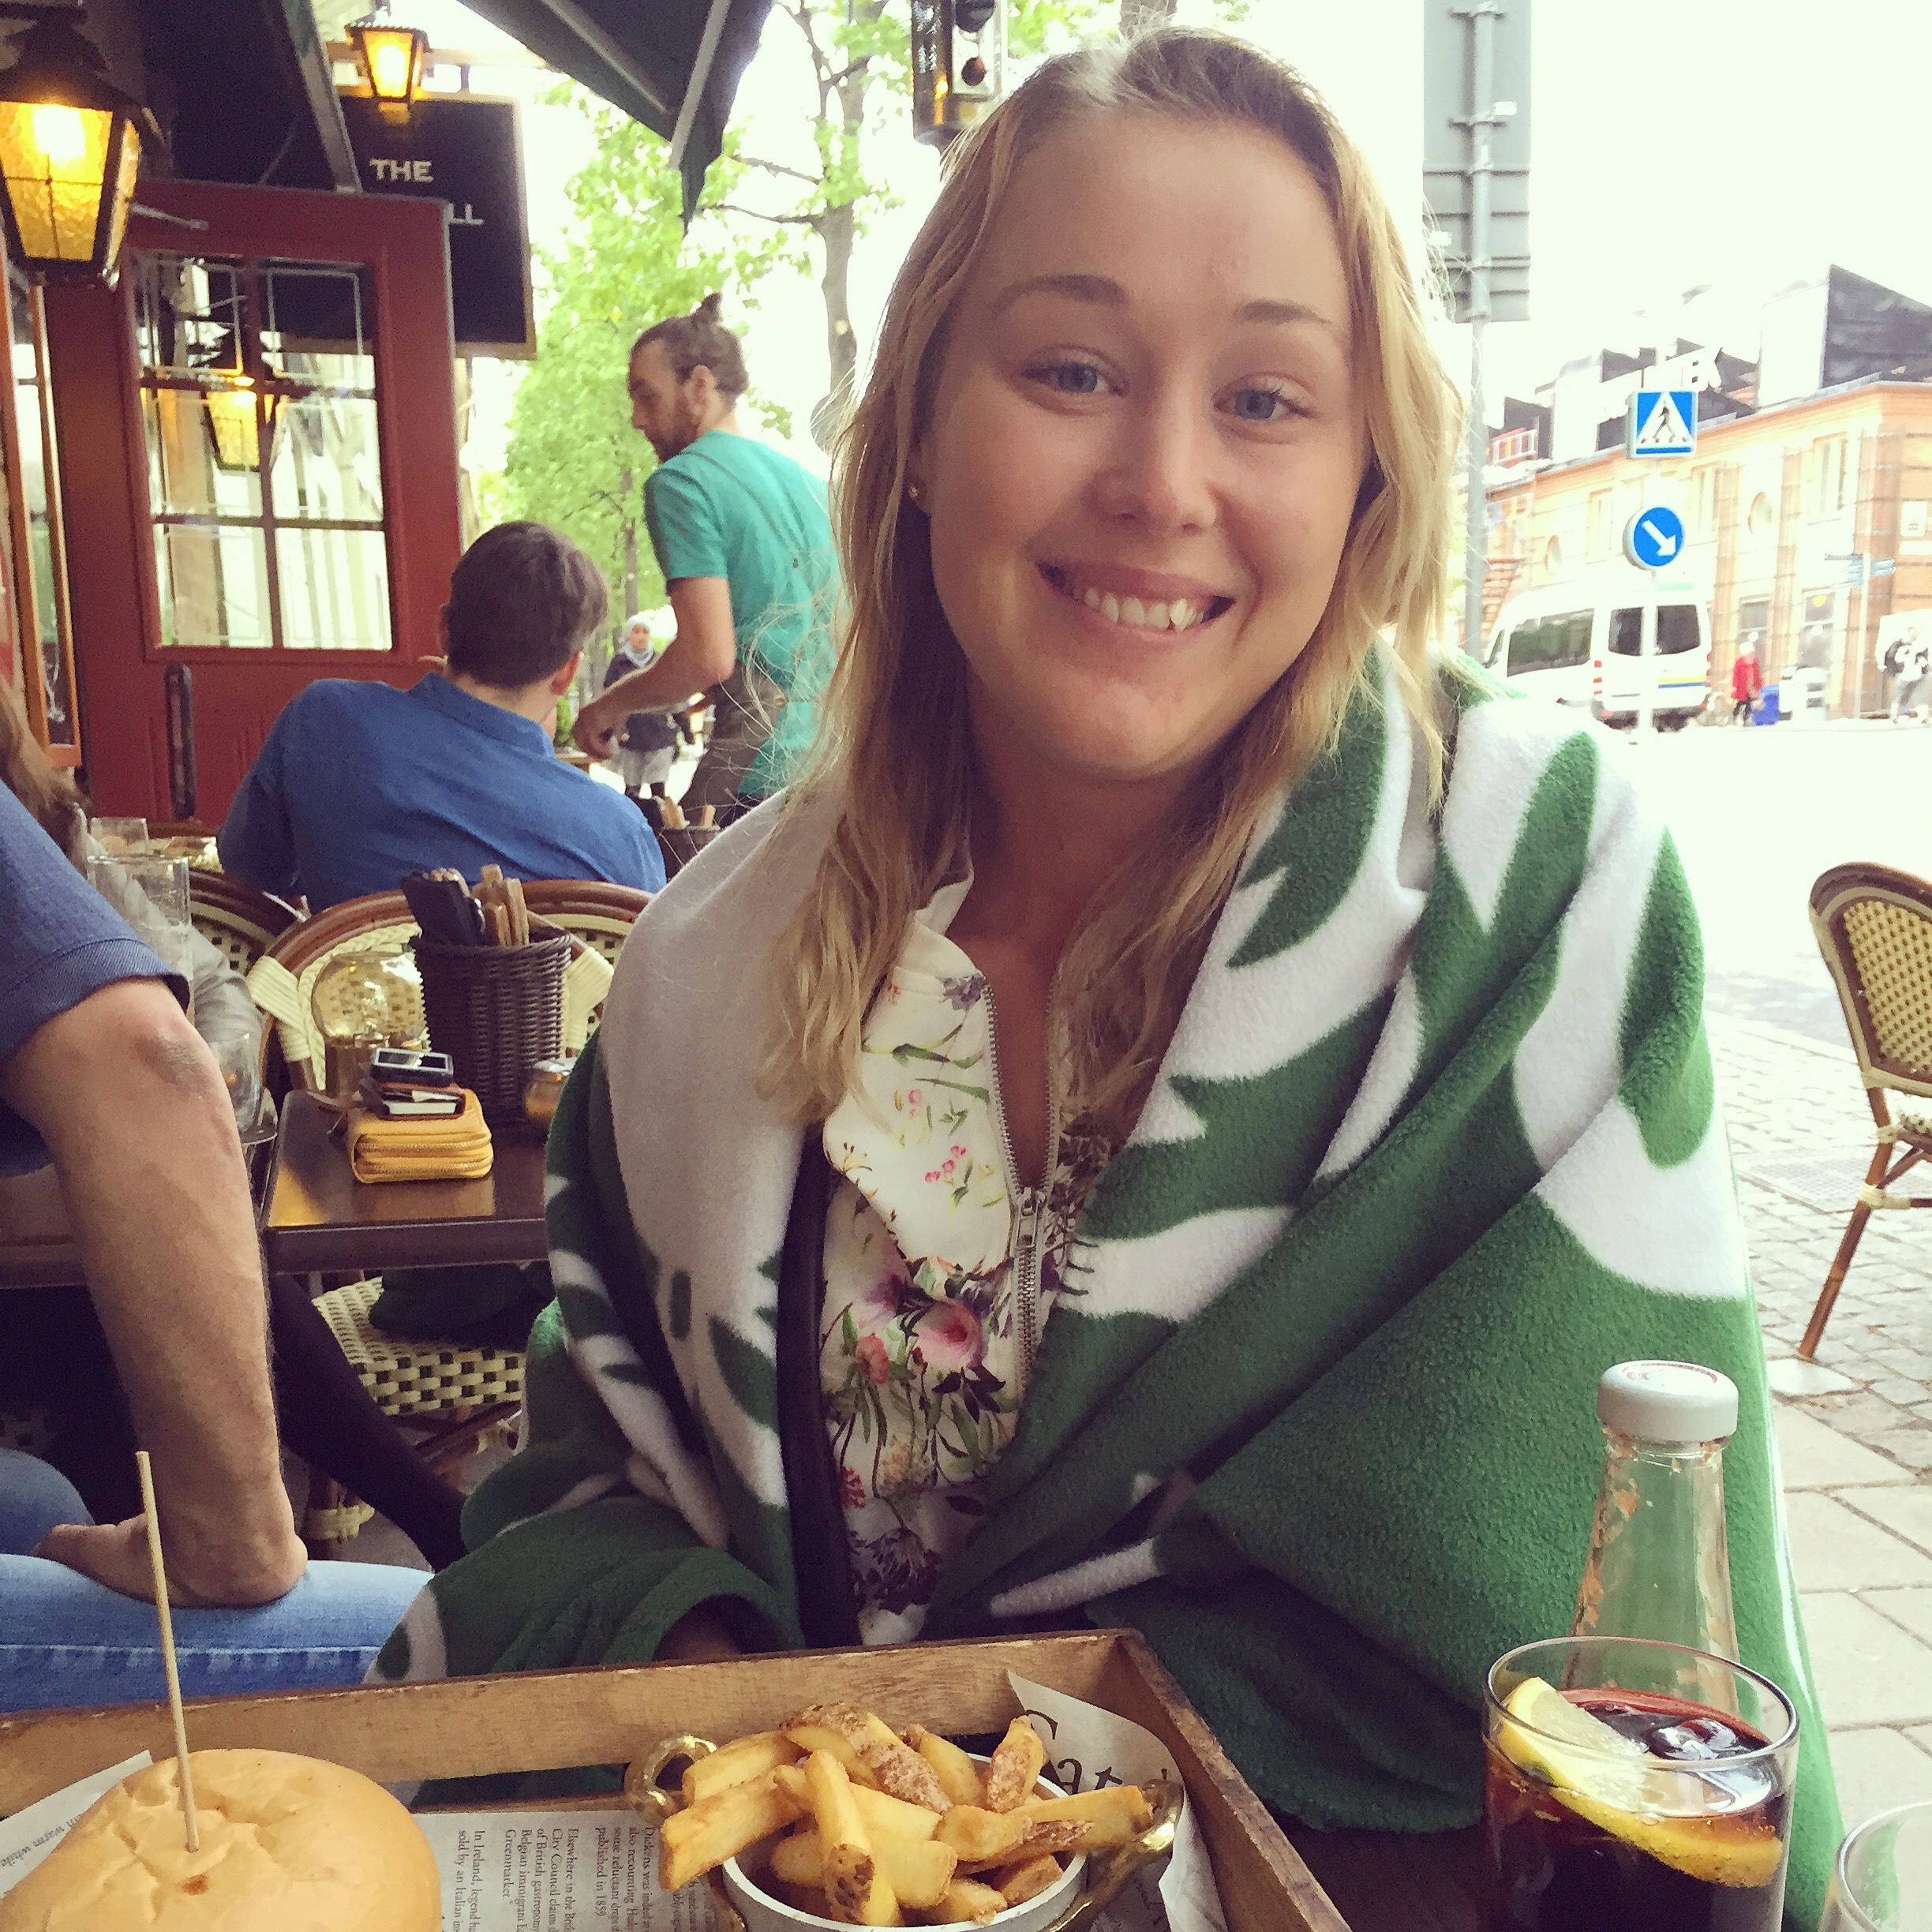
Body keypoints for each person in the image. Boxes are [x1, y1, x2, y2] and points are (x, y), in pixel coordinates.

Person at [375, 33, 1840, 1925]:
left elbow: (1618, 1677)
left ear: (1366, 474)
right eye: (1069, 370)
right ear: (919, 428)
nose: (1160, 481)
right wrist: (770, 1728)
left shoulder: (1529, 891)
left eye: (1265, 397)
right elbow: (576, 1499)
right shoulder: (696, 963)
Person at [0, 781, 425, 1712]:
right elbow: (148, 1062)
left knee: (49, 1497)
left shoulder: (64, 832)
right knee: (477, 1653)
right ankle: (437, 1521)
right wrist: (230, 1545)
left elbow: (198, 1005)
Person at [220, 522, 663, 908]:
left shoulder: (321, 720)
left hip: (345, 981)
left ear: (443, 630)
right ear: (567, 673)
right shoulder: (619, 835)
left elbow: (249, 869)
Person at [571, 296, 837, 827]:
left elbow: (707, 656)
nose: (637, 419)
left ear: (699, 386)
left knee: (674, 866)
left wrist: (607, 707)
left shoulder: (681, 483)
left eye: (647, 397)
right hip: (843, 766)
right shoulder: (813, 487)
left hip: (760, 781)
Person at [602, 613, 685, 797]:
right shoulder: (619, 664)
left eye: (645, 632)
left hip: (658, 732)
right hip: (631, 733)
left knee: (658, 787)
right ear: (628, 635)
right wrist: (614, 728)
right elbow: (610, 698)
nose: (641, 636)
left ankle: (658, 814)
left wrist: (683, 725)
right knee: (632, 788)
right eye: (637, 631)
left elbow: (672, 695)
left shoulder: (658, 661)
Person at [1731, 635, 1762, 723]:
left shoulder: (1755, 663)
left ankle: (1745, 717)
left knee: (1749, 703)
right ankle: (1735, 714)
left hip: (1751, 688)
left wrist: (1758, 686)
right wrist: (1735, 685)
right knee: (1741, 702)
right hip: (1742, 688)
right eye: (1750, 653)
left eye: (1752, 653)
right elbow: (1736, 675)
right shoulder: (1739, 663)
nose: (1751, 655)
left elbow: (1757, 675)